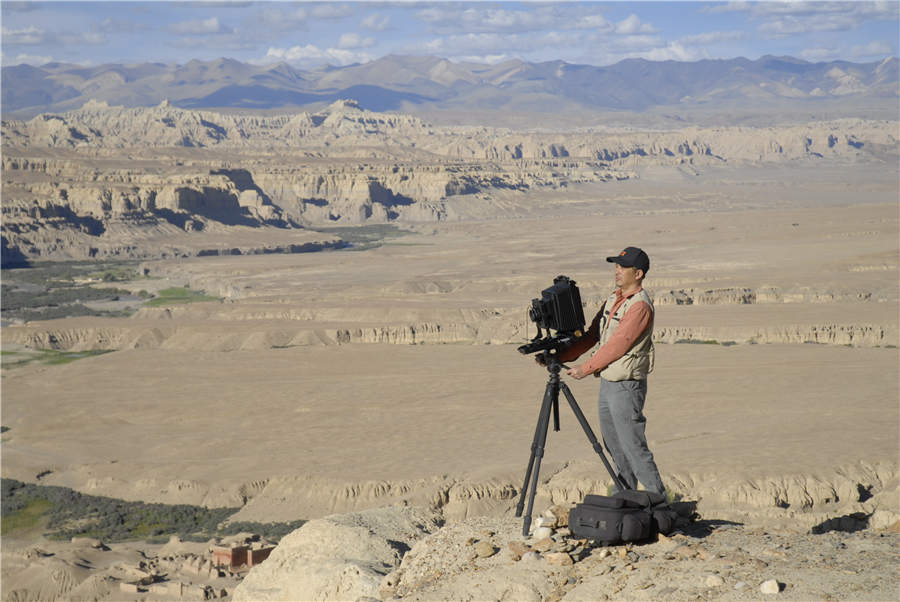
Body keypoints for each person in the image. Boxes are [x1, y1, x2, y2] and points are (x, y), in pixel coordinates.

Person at [558, 246, 665, 495]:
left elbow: (619, 345)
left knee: (632, 445)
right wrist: (560, 356)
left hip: (626, 385)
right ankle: (626, 497)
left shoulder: (639, 306)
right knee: (614, 445)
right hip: (608, 383)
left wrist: (585, 368)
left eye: (622, 267)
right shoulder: (613, 299)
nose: (617, 271)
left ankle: (658, 503)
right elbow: (593, 336)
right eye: (616, 266)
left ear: (638, 273)